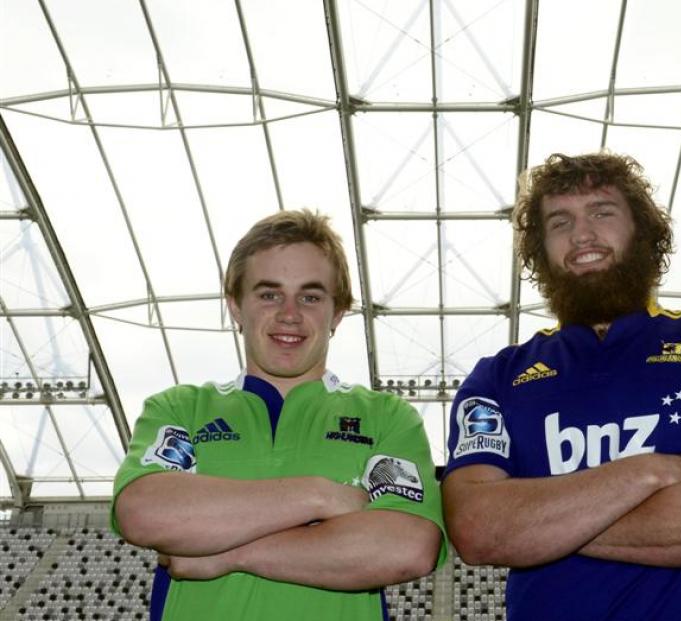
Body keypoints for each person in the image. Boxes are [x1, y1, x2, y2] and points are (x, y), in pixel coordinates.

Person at [442, 152, 681, 620]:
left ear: (644, 232)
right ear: (539, 252)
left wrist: (539, 522)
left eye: (602, 213)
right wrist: (654, 471)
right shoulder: (497, 379)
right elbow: (476, 529)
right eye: (559, 222)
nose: (582, 234)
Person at [112, 209, 445, 620]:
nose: (290, 313)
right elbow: (144, 513)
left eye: (310, 296)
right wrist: (321, 495)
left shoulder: (387, 417)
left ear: (337, 312)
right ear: (235, 306)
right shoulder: (181, 407)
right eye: (269, 294)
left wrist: (227, 554)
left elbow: (406, 547)